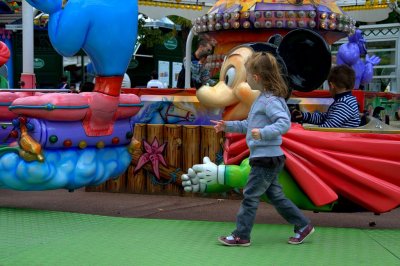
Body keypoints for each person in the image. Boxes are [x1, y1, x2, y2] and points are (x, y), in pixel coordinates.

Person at [212, 52, 314, 247]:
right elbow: (250, 125)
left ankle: (241, 235)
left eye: (247, 75)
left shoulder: (270, 101)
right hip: (267, 157)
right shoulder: (263, 99)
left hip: (266, 159)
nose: (246, 79)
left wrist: (264, 133)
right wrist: (228, 126)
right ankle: (302, 225)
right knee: (276, 196)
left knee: (250, 196)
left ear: (256, 78)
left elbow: (284, 123)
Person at [292, 64, 360, 128]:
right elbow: (325, 117)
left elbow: (327, 128)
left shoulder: (344, 104)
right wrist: (304, 116)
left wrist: (306, 131)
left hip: (341, 139)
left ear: (331, 86)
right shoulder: (346, 100)